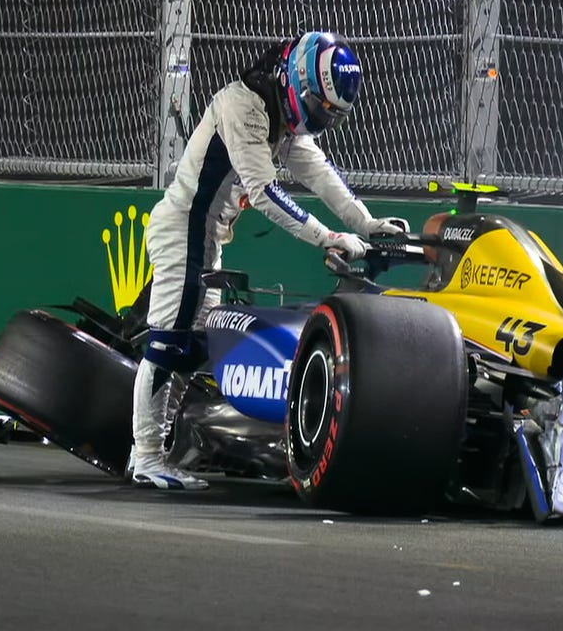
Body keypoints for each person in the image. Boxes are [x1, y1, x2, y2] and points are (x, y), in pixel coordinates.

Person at [131, 31, 408, 490]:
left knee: (192, 348)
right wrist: (328, 237)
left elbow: (318, 172)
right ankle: (146, 457)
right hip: (183, 231)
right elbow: (264, 192)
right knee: (168, 345)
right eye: (319, 108)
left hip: (204, 238)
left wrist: (366, 222)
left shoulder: (278, 114)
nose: (319, 120)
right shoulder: (243, 107)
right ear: (300, 83)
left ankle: (151, 452)